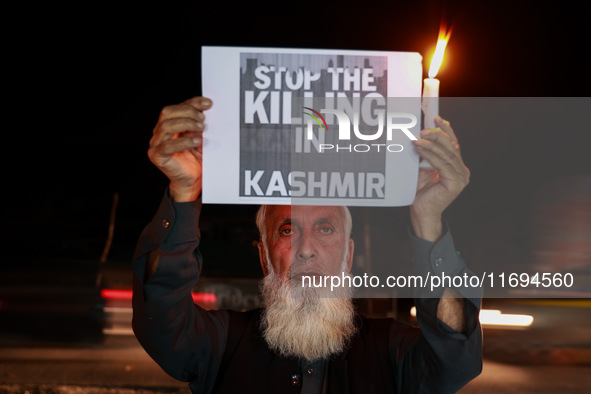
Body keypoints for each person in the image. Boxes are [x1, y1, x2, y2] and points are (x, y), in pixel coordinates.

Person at [132, 96, 482, 393]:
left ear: (348, 255)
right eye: (287, 230)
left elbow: (454, 359)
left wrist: (428, 218)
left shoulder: (390, 350)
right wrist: (183, 194)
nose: (306, 249)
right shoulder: (222, 344)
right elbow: (162, 322)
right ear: (264, 258)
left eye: (326, 228)